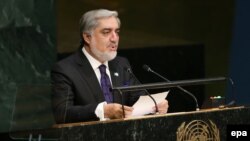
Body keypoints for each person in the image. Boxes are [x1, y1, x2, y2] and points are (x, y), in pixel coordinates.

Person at [51, 9, 169, 124]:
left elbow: (138, 97)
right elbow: (62, 113)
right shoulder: (66, 70)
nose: (114, 39)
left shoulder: (121, 64)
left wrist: (154, 105)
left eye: (117, 32)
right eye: (106, 32)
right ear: (87, 37)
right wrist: (103, 111)